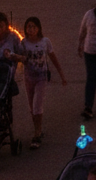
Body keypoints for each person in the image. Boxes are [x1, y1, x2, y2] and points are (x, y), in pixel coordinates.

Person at [14, 17, 67, 149]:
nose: (31, 29)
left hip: (41, 78)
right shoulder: (24, 43)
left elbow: (53, 58)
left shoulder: (45, 42)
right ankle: (37, 128)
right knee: (32, 108)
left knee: (37, 105)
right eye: (29, 27)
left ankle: (37, 134)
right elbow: (20, 57)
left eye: (34, 27)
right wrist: (16, 57)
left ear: (39, 28)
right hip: (29, 78)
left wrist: (61, 75)